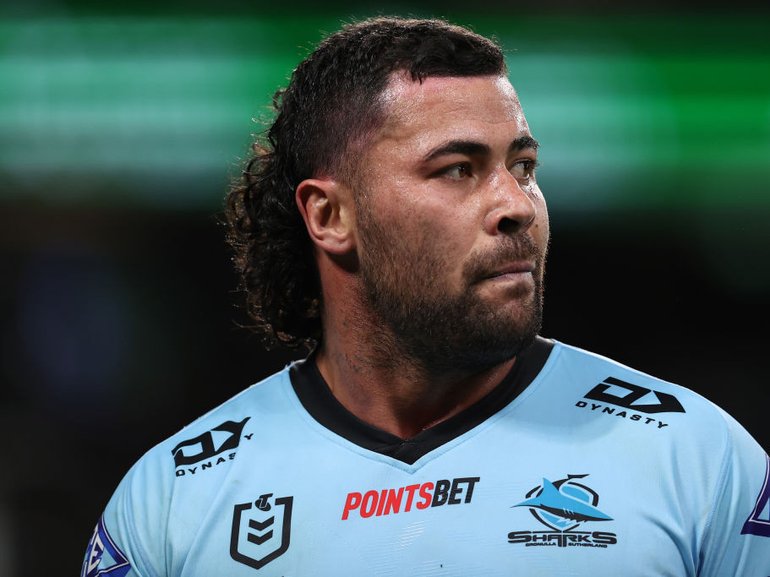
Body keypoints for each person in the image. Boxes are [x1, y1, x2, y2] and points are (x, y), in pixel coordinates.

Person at [82, 16, 770, 577]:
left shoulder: (696, 460)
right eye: (458, 169)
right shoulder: (174, 500)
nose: (517, 205)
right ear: (330, 216)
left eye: (523, 166)